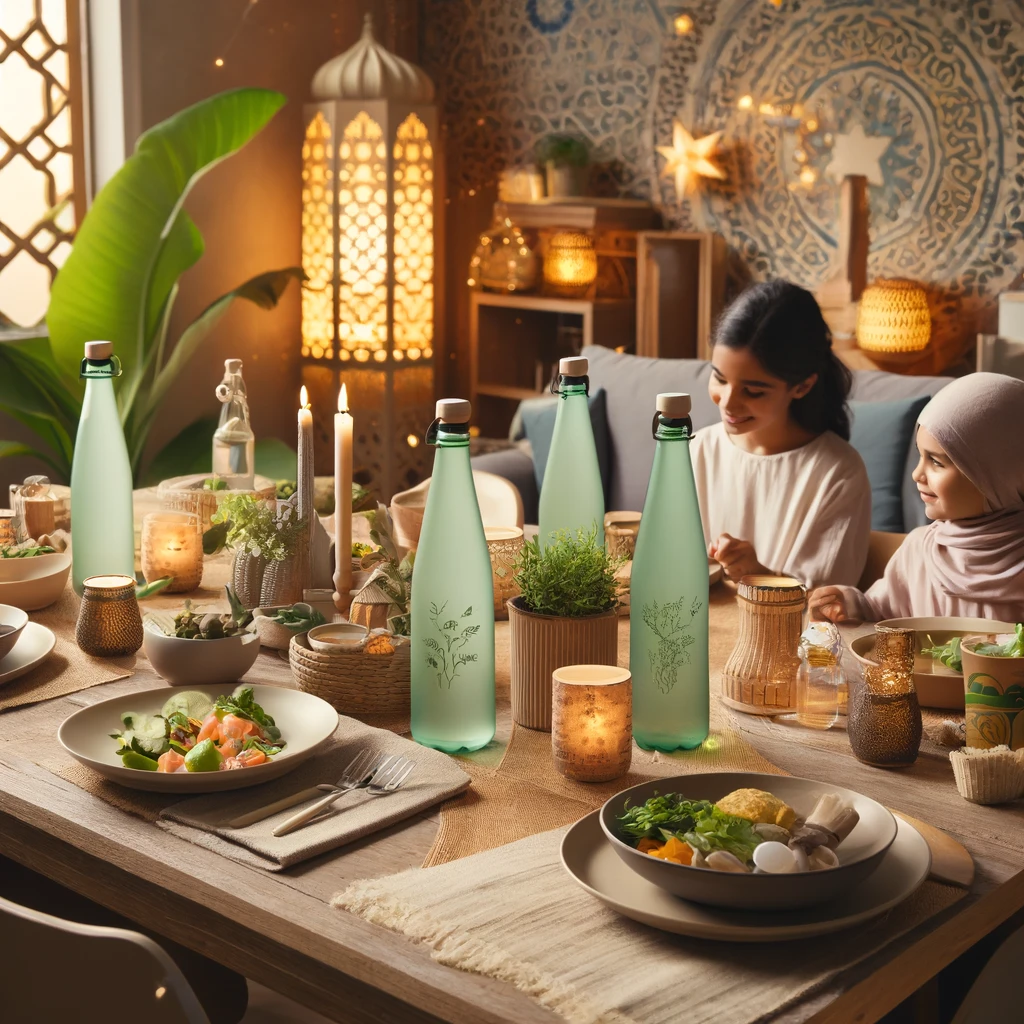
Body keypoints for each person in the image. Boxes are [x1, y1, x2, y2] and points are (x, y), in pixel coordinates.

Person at [689, 280, 871, 589]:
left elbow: (826, 610)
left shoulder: (837, 473)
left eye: (753, 391)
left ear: (802, 386)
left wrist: (757, 573)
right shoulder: (697, 450)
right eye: (719, 378)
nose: (728, 402)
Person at [810, 372, 1024, 623]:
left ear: (998, 473)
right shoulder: (920, 551)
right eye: (920, 456)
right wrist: (848, 605)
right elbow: (880, 612)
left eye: (936, 462)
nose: (917, 474)